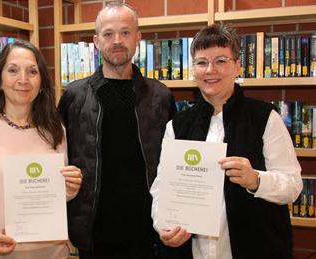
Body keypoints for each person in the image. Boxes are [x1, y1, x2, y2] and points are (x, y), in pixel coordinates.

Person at [150, 23, 303, 259]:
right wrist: (163, 226)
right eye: (202, 62)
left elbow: (292, 185)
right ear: (194, 69)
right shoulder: (177, 125)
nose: (210, 70)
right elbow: (162, 188)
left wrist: (256, 179)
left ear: (238, 66)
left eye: (221, 60)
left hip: (256, 249)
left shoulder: (265, 118)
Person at [58, 2, 192, 258]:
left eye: (125, 32)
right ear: (96, 41)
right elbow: (57, 158)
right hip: (93, 230)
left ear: (138, 38)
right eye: (108, 34)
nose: (117, 40)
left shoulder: (161, 96)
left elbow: (175, 164)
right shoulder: (73, 96)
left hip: (147, 230)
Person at [0, 40, 82, 259]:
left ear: (42, 82)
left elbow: (52, 195)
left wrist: (69, 189)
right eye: (13, 70)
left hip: (53, 252)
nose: (23, 80)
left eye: (32, 71)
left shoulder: (56, 130)